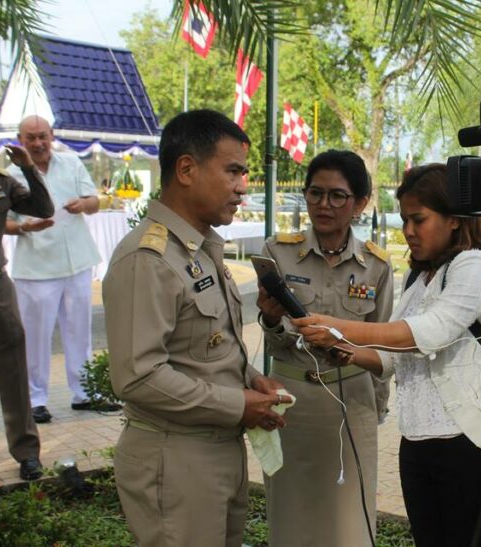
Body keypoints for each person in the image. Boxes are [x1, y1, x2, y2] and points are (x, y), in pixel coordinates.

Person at [293, 163, 481, 547]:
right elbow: (391, 358)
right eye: (404, 221)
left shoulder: (474, 265)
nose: (408, 231)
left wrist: (339, 326)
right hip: (418, 441)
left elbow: (432, 332)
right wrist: (345, 351)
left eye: (419, 219)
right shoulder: (420, 277)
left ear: (453, 220)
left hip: (470, 443)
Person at [103, 109, 288, 547]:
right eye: (233, 171)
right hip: (175, 457)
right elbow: (138, 376)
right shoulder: (147, 259)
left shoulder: (200, 249)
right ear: (186, 169)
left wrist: (251, 381)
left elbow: (206, 346)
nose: (243, 187)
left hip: (215, 451)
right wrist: (235, 404)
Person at [256, 149, 393, 546]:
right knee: (292, 514)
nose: (323, 205)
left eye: (337, 196)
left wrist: (376, 410)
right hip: (291, 402)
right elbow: (271, 336)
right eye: (315, 193)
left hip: (352, 402)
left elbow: (382, 346)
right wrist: (268, 318)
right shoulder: (277, 252)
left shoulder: (376, 266)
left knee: (350, 518)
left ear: (360, 204)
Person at [5, 115, 118, 424]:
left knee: (78, 331)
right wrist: (26, 226)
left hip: (77, 261)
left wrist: (85, 205)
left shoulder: (71, 163)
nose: (38, 143)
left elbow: (95, 200)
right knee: (36, 337)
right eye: (31, 138)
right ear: (20, 140)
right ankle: (36, 399)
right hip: (36, 267)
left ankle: (84, 392)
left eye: (43, 136)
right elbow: (1, 221)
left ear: (52, 135)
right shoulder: (12, 175)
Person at [0, 116, 54, 480]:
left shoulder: (3, 182)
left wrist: (29, 169)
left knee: (13, 374)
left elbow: (43, 209)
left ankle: (27, 453)